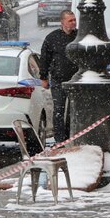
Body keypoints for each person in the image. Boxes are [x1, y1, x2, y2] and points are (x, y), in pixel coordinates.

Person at [38, 9, 78, 143]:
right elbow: (44, 59)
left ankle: (70, 135)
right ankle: (60, 139)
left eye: (74, 20)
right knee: (59, 110)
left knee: (73, 110)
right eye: (70, 21)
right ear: (62, 22)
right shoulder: (52, 38)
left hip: (76, 80)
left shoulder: (79, 37)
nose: (73, 23)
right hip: (58, 79)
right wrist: (43, 77)